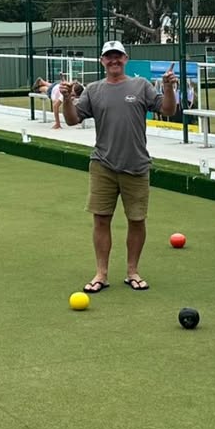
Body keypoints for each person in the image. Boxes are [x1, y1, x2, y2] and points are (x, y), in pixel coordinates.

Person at [61, 39, 177, 294]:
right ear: (102, 61)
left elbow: (168, 110)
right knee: (101, 219)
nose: (113, 60)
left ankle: (132, 271)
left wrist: (168, 88)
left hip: (136, 165)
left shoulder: (140, 85)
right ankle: (101, 273)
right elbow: (71, 120)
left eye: (118, 56)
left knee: (136, 220)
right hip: (103, 164)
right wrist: (67, 99)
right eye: (108, 56)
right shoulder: (94, 89)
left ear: (126, 58)